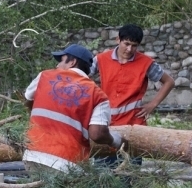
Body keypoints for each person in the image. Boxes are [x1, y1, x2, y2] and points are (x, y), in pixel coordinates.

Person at [23, 44, 124, 173]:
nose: (58, 65)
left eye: (61, 60)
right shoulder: (98, 95)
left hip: (33, 154)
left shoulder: (44, 76)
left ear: (72, 62)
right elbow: (97, 134)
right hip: (68, 163)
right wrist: (116, 141)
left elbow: (28, 100)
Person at [92, 24, 174, 165]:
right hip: (106, 126)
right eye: (127, 44)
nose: (129, 49)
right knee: (103, 176)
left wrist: (152, 104)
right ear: (118, 40)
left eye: (134, 46)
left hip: (133, 128)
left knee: (130, 177)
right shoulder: (100, 59)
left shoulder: (146, 63)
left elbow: (169, 82)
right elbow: (80, 77)